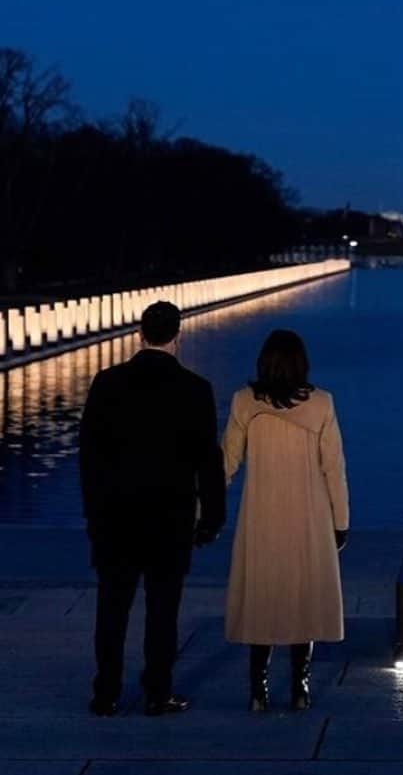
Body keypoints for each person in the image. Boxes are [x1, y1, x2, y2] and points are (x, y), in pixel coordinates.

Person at [79, 301, 225, 717]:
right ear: (178, 336)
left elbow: (89, 455)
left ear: (139, 335)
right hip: (170, 517)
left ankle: (105, 693)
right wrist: (212, 518)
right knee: (163, 611)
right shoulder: (196, 389)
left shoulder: (107, 383)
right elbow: (207, 462)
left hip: (115, 517)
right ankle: (157, 692)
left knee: (111, 608)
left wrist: (94, 513)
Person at [222, 329, 349, 711]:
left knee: (263, 598)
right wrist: (340, 521)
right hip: (308, 516)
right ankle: (300, 687)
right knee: (302, 598)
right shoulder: (322, 404)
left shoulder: (244, 403)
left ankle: (258, 690)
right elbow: (334, 470)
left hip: (261, 515)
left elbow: (226, 463)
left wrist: (202, 509)